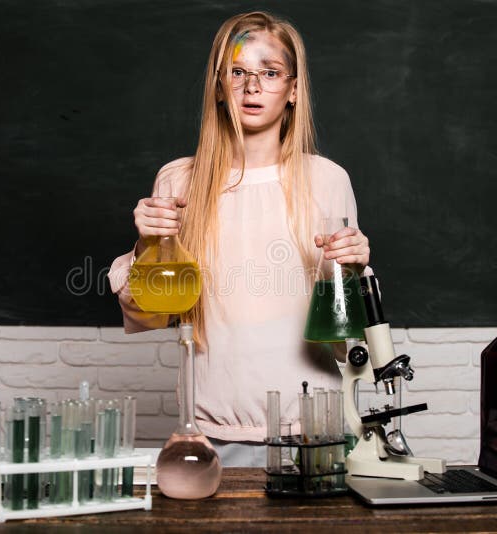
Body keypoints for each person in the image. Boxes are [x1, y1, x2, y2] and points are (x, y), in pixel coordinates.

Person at [108, 11, 371, 467]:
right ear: (217, 85)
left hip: (316, 428)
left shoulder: (326, 180)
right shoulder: (179, 181)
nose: (253, 87)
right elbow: (153, 313)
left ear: (293, 90)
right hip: (213, 435)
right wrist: (146, 246)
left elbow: (347, 339)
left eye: (269, 73)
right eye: (238, 72)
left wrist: (354, 269)